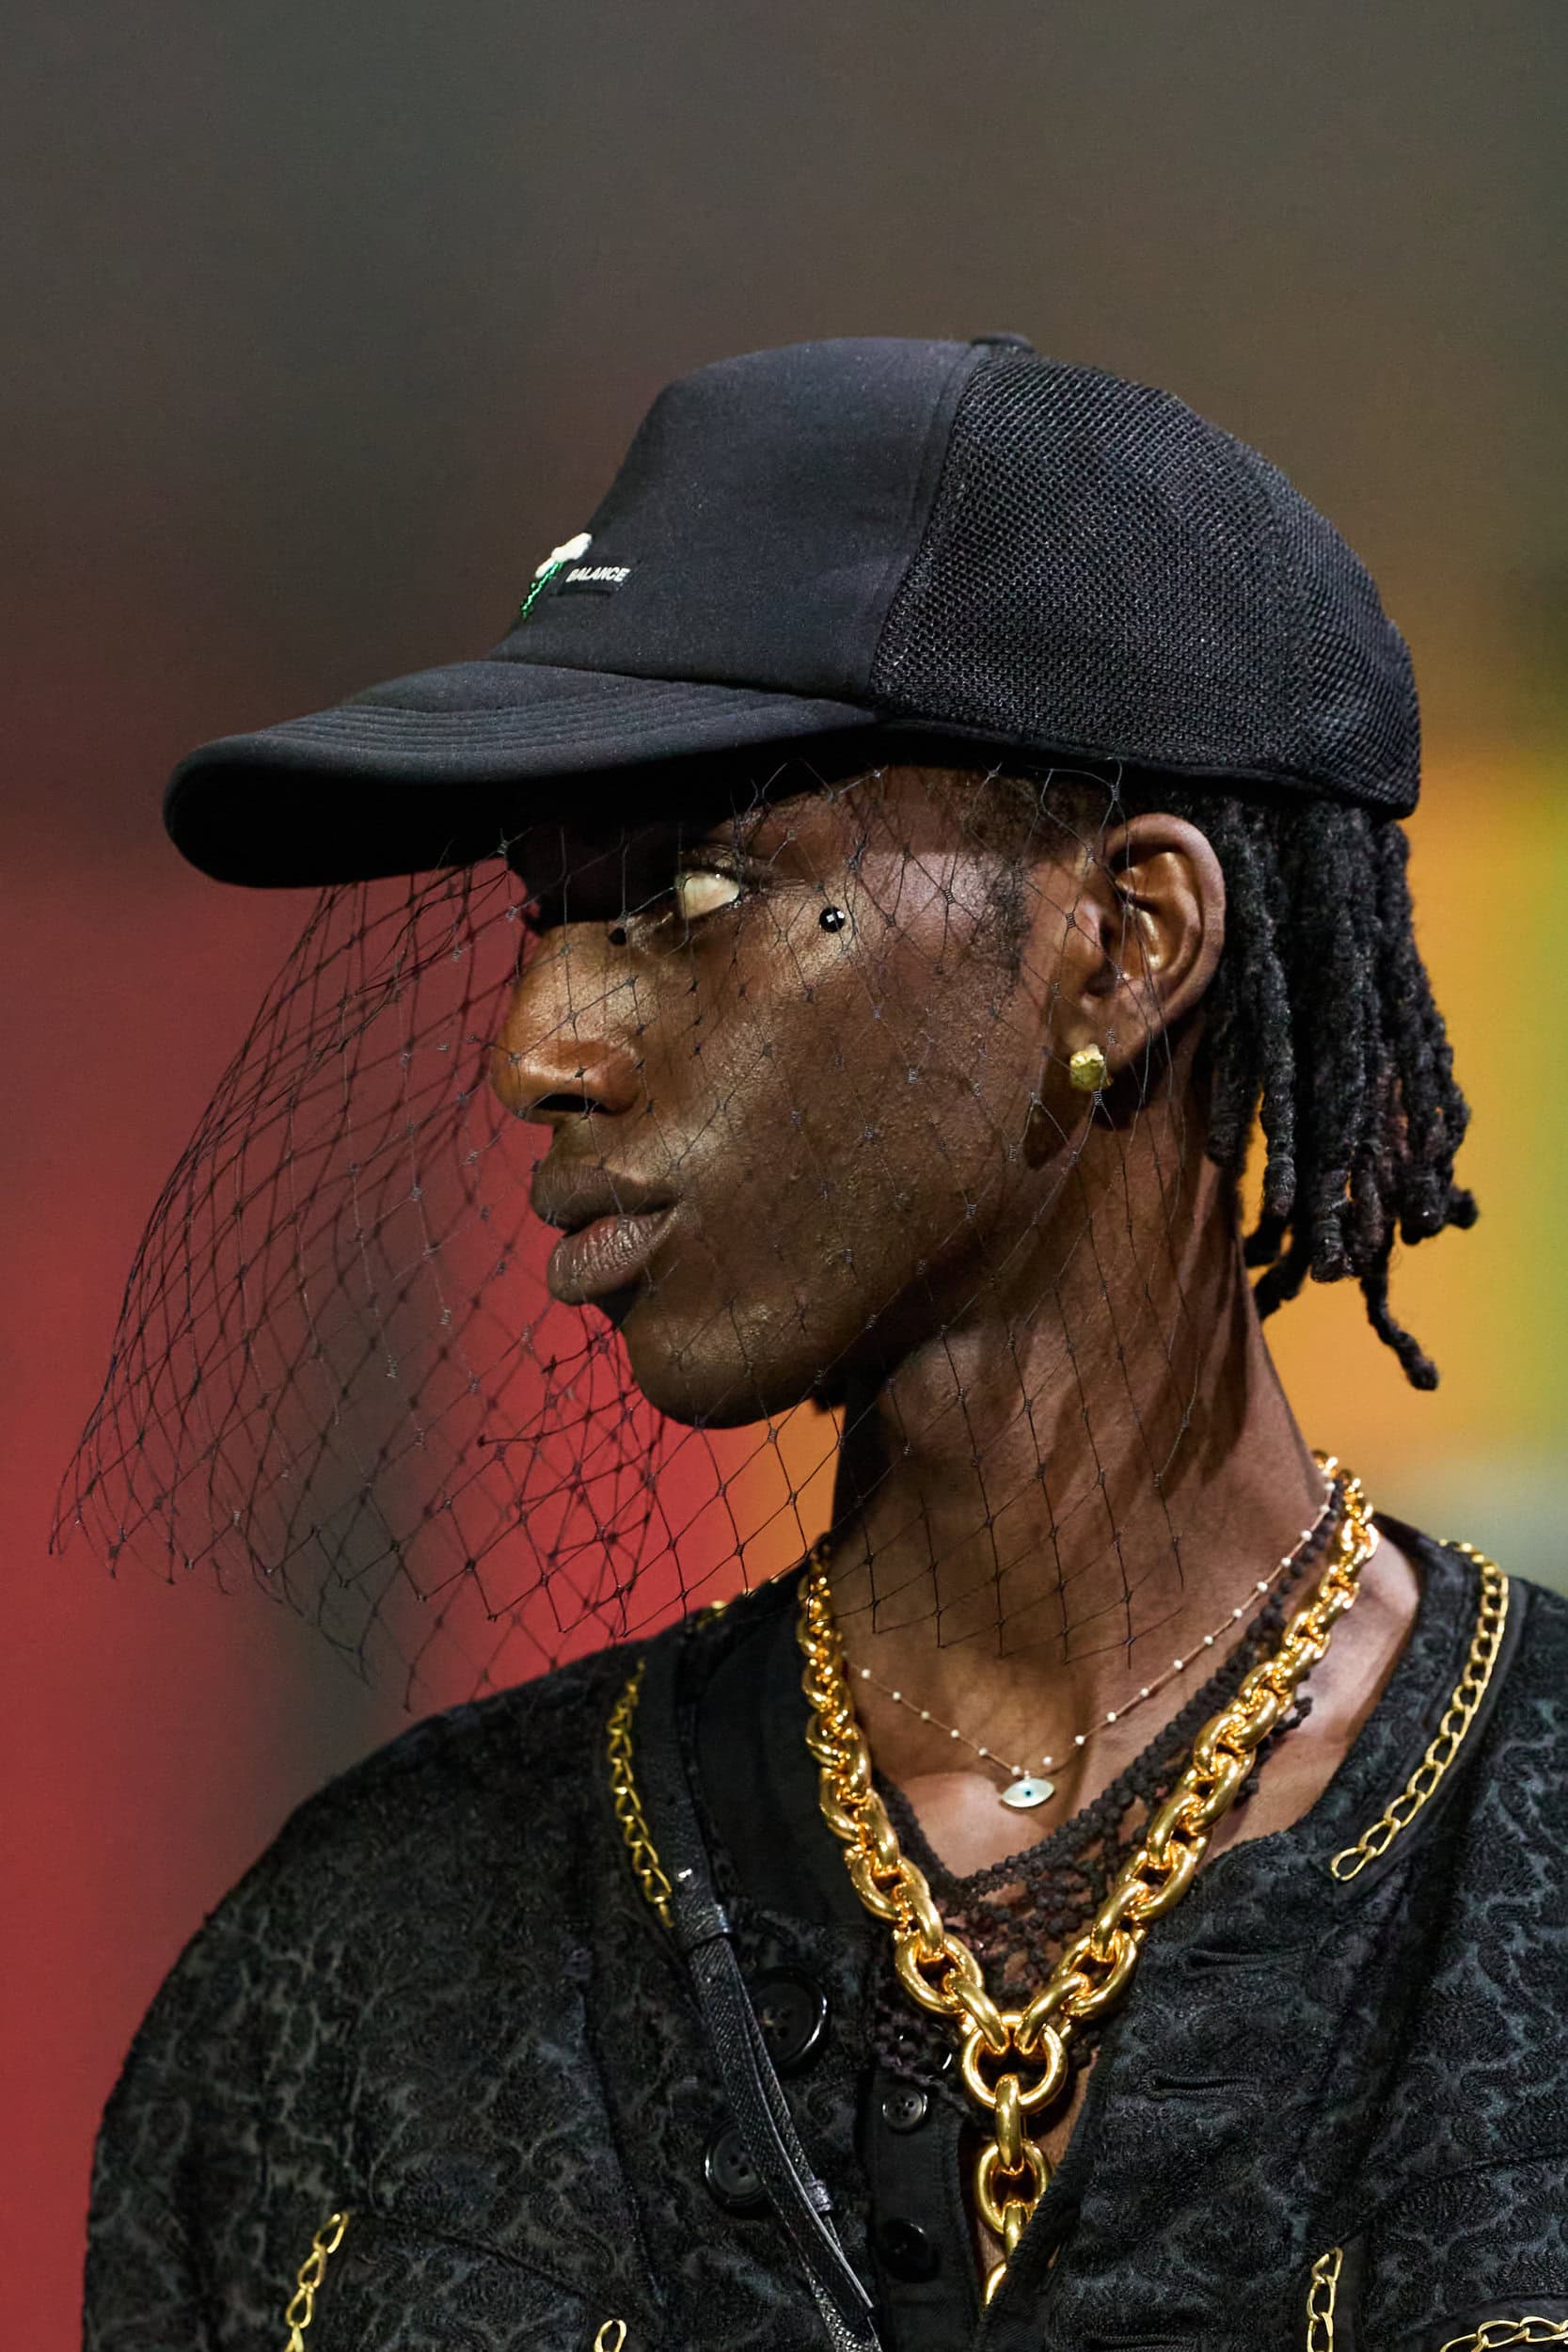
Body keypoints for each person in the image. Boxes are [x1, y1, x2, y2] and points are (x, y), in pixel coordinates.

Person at [75, 337, 1568, 2352]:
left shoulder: (1528, 1859)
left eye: (692, 891)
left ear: (1125, 941)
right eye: (541, 916)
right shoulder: (352, 1974)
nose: (536, 1048)